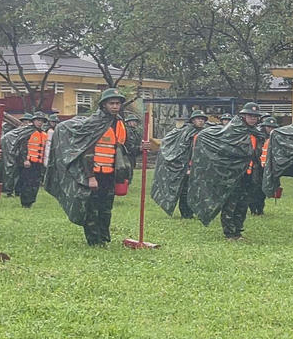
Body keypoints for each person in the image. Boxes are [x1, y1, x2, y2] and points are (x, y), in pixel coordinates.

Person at [44, 88, 143, 246]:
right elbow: (86, 150)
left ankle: (104, 238)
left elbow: (125, 149)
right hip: (94, 174)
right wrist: (90, 177)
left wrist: (140, 148)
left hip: (110, 174)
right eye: (112, 103)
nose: (115, 106)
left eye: (118, 103)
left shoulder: (119, 124)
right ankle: (94, 240)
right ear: (103, 105)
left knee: (106, 208)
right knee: (92, 208)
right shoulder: (94, 123)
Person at [186, 102, 263, 240]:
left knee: (243, 204)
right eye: (250, 116)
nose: (253, 118)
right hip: (232, 174)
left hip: (249, 174)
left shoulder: (256, 133)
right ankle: (229, 232)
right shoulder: (233, 130)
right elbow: (224, 148)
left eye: (255, 116)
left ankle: (238, 231)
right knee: (230, 203)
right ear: (243, 115)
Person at [151, 110, 206, 219]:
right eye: (198, 118)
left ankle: (194, 211)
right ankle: (186, 213)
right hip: (186, 166)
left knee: (196, 191)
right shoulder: (184, 132)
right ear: (193, 120)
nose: (201, 121)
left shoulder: (205, 133)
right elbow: (176, 147)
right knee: (185, 191)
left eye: (203, 119)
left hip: (199, 167)